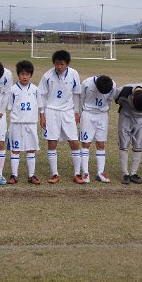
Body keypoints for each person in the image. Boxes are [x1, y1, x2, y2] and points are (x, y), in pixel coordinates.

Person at [39, 50, 82, 184]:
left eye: (62, 64)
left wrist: (76, 112)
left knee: (74, 142)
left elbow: (76, 94)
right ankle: (54, 174)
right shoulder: (47, 76)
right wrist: (42, 114)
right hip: (51, 111)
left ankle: (77, 174)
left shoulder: (74, 74)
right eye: (57, 64)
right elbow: (42, 96)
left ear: (67, 64)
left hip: (68, 112)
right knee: (52, 142)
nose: (59, 67)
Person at [7, 60, 43, 185]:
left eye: (27, 74)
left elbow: (40, 106)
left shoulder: (35, 89)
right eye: (22, 74)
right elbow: (9, 107)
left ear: (31, 75)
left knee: (31, 149)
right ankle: (14, 175)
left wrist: (42, 117)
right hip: (16, 124)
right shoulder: (12, 90)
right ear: (18, 75)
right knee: (15, 150)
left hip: (31, 124)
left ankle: (31, 175)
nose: (25, 77)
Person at [114, 83, 142, 184]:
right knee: (124, 145)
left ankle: (133, 173)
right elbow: (116, 100)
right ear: (132, 97)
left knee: (138, 146)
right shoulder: (122, 91)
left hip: (141, 119)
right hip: (126, 117)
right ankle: (125, 173)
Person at [79, 75, 117, 183]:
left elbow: (109, 101)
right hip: (88, 114)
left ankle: (100, 173)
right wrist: (81, 115)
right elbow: (81, 100)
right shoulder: (86, 83)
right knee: (86, 143)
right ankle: (85, 173)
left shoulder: (113, 85)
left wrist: (105, 113)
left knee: (101, 144)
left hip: (102, 115)